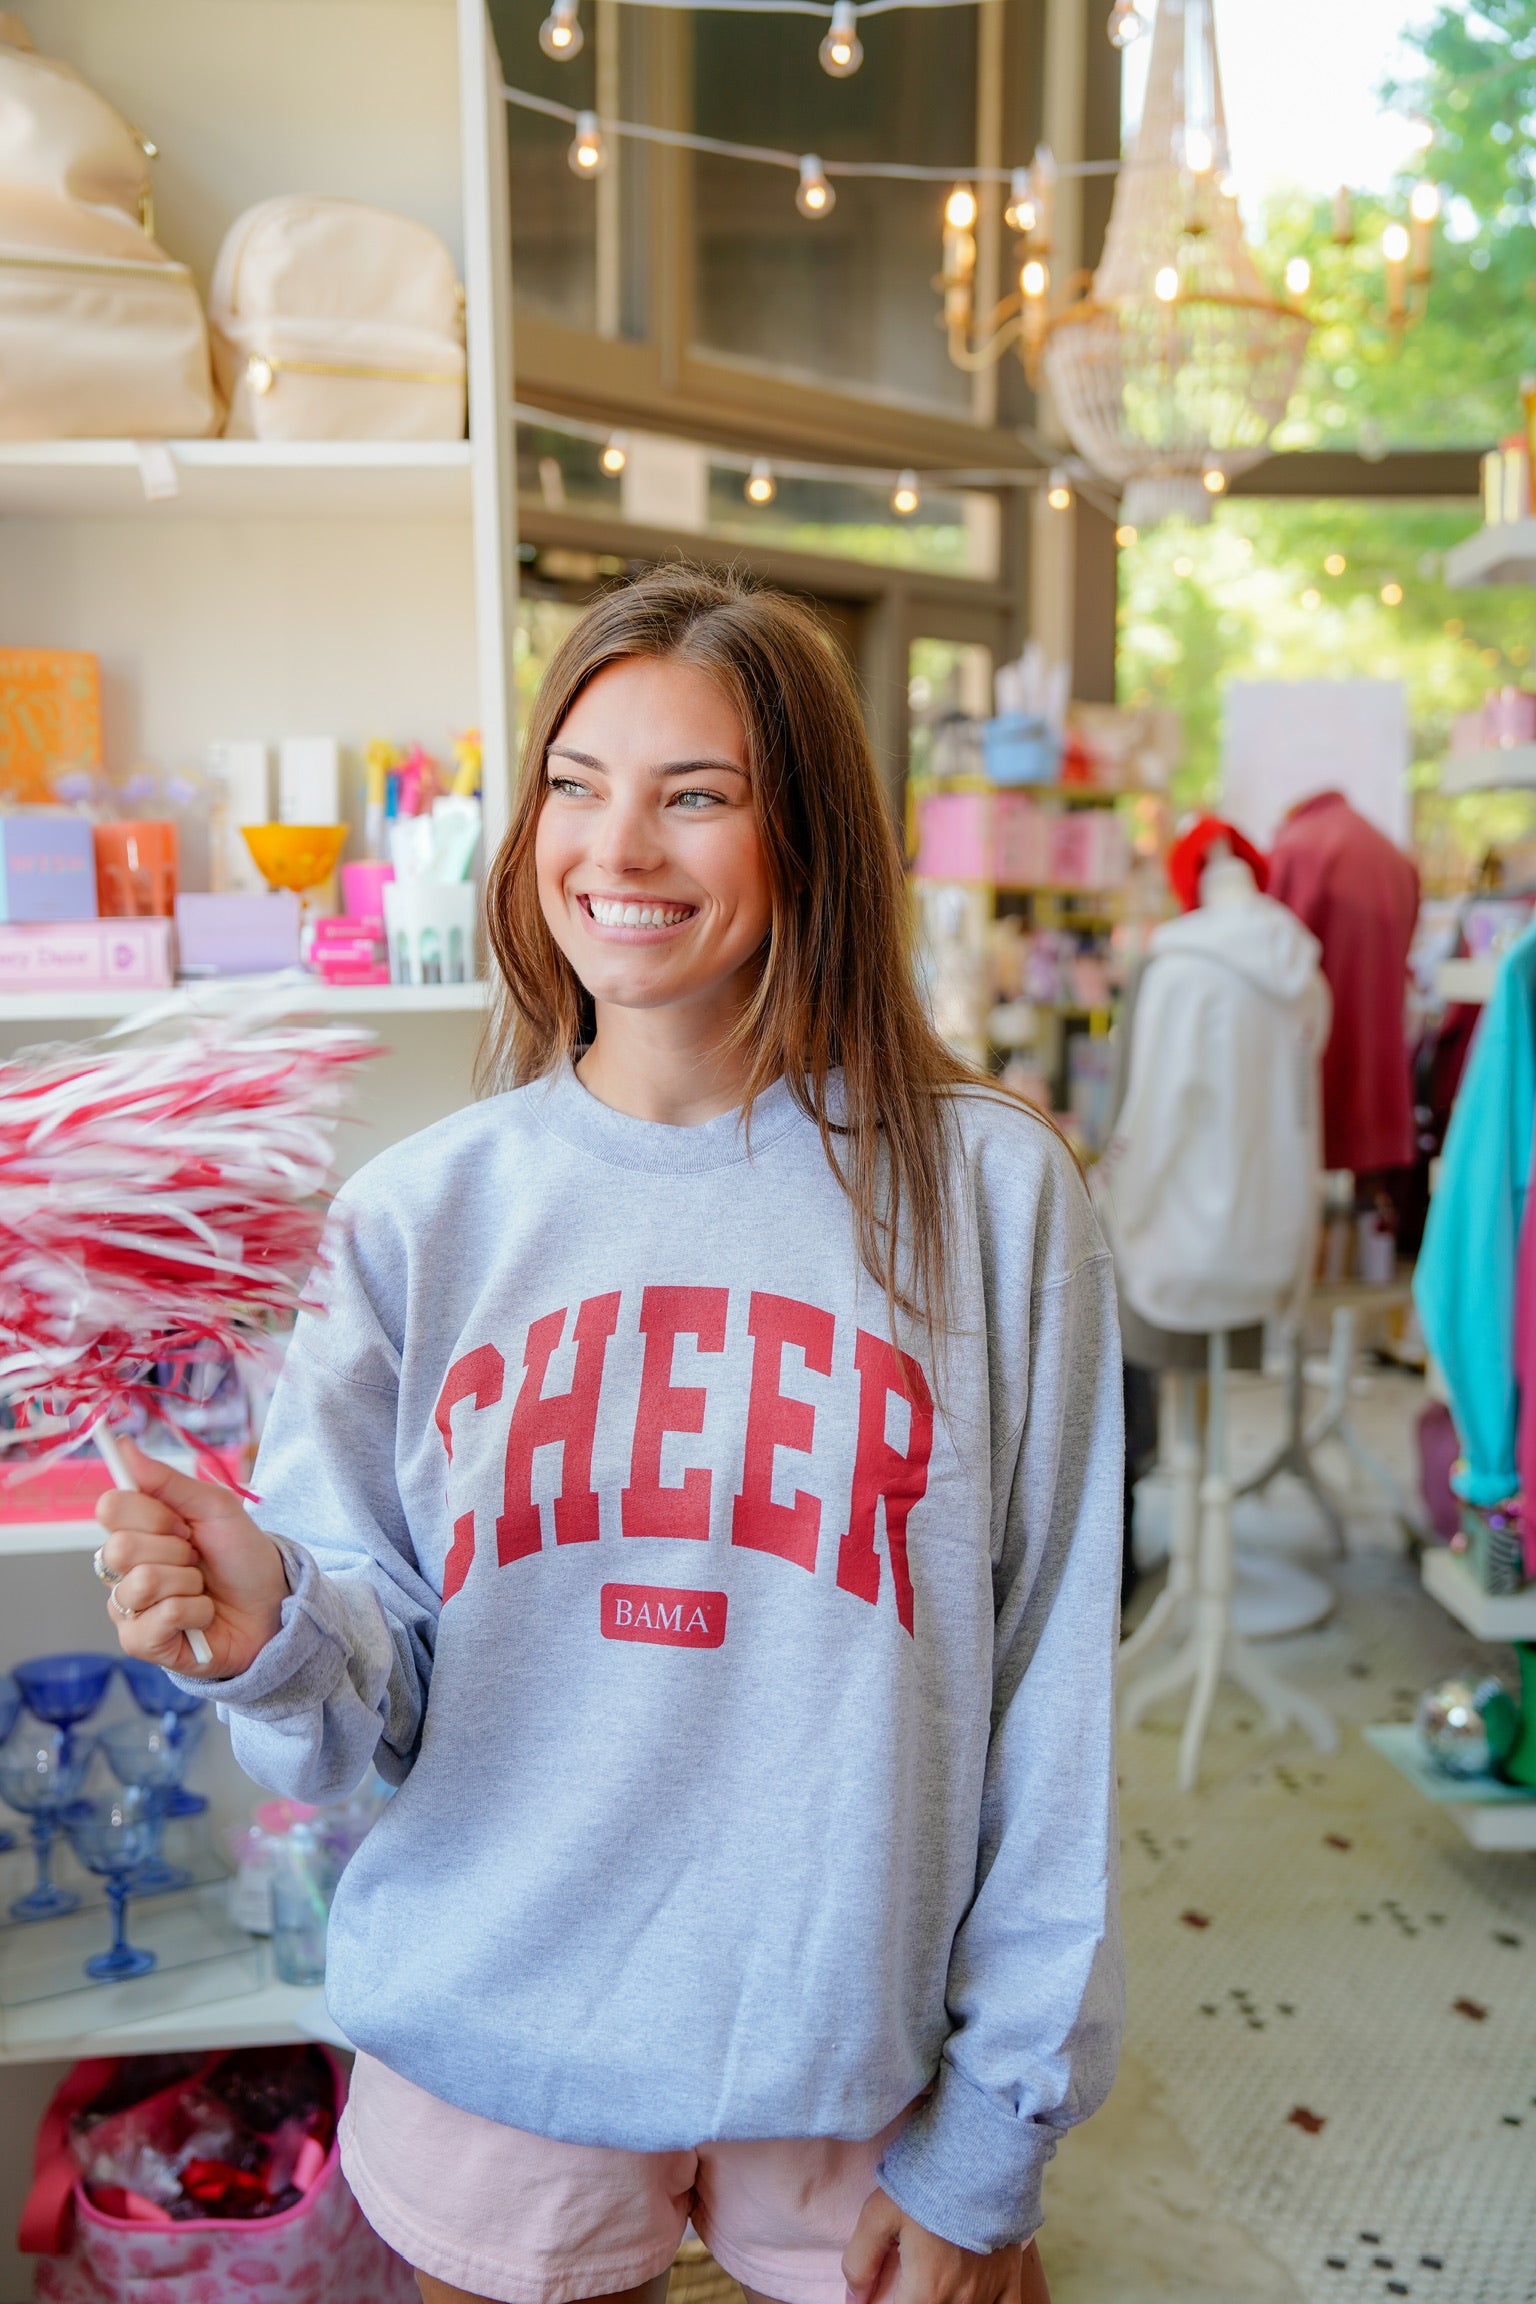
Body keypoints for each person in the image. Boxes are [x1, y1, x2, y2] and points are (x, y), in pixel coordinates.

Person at [94, 568, 1123, 2304]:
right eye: (577, 785)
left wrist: (996, 2133)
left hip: (861, 2056)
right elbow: (368, 1711)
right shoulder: (418, 1217)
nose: (619, 848)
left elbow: (1050, 1705)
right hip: (500, 2033)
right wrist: (273, 1622)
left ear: (810, 839)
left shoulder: (995, 1197)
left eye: (696, 795)